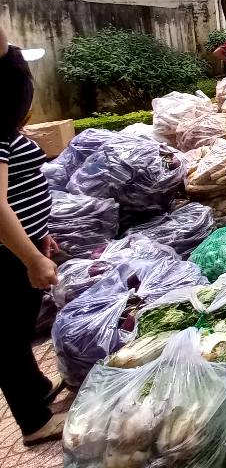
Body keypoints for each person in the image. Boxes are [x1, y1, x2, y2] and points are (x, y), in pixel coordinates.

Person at [0, 29, 66, 446]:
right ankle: (34, 420)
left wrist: (40, 233)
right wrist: (31, 258)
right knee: (5, 337)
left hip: (21, 244)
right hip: (6, 256)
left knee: (17, 330)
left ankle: (38, 388)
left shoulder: (5, 132)